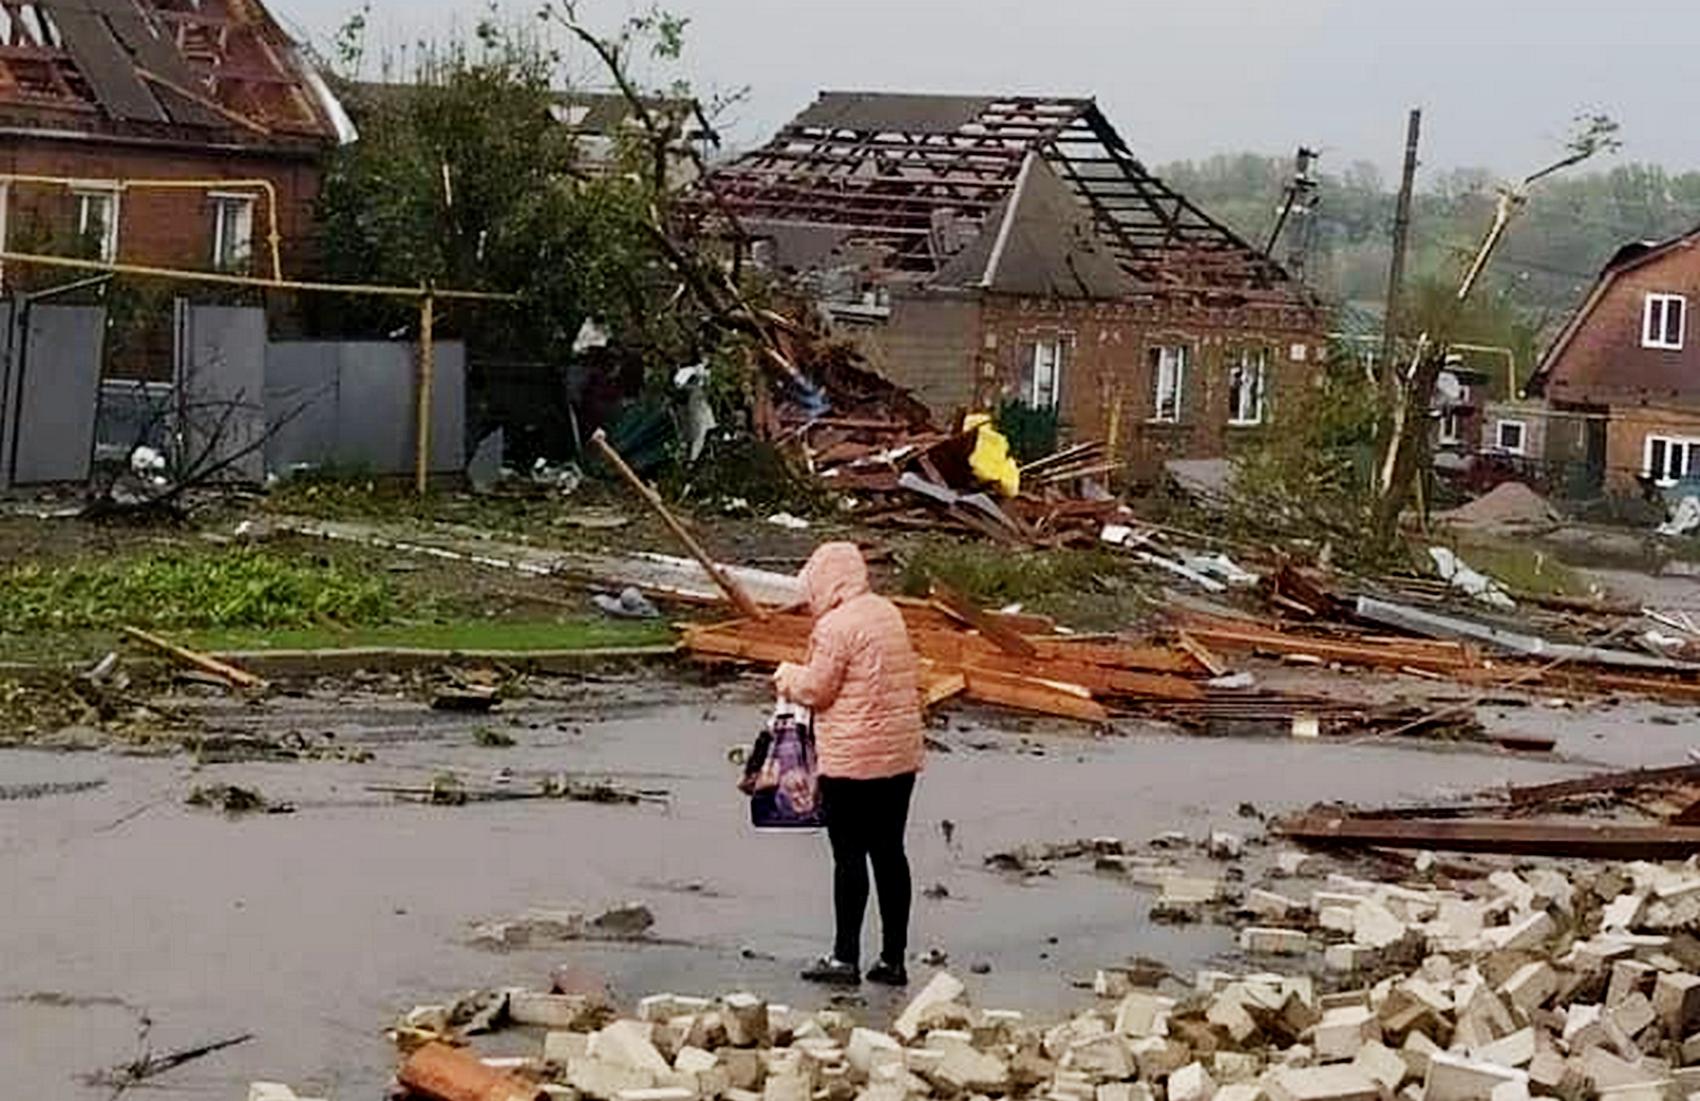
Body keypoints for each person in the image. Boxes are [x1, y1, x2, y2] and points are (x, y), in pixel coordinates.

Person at [775, 542, 923, 987]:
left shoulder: (833, 628)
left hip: (851, 760)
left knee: (848, 856)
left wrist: (786, 675)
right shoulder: (887, 613)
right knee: (890, 852)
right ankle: (893, 960)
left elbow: (818, 690)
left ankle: (844, 958)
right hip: (899, 757)